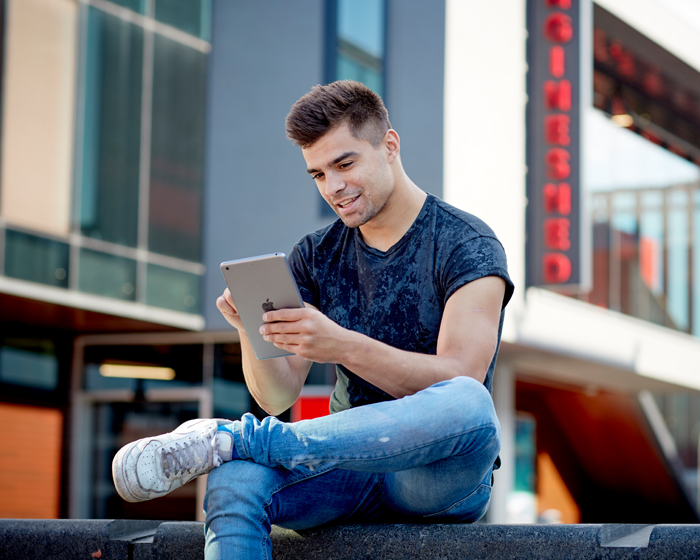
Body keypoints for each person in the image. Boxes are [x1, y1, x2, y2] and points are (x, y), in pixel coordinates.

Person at [112, 80, 514, 560]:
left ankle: (231, 439)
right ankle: (233, 449)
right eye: (318, 174)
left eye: (344, 164)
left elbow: (460, 376)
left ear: (389, 146)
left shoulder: (468, 243)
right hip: (343, 468)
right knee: (236, 477)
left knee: (469, 402)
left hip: (435, 477)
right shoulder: (315, 255)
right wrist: (249, 331)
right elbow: (278, 395)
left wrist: (341, 345)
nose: (334, 187)